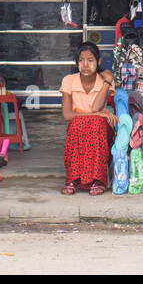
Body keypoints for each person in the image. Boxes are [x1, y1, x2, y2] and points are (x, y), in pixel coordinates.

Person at [59, 42, 116, 195]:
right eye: (81, 60)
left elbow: (97, 107)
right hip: (79, 128)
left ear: (98, 62)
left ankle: (98, 180)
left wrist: (108, 80)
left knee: (96, 123)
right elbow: (67, 115)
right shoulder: (69, 80)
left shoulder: (104, 81)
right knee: (78, 124)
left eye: (90, 60)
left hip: (100, 128)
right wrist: (95, 115)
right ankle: (73, 179)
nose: (85, 65)